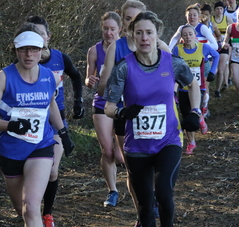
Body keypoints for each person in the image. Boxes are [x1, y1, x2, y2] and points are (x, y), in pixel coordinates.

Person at [104, 11, 201, 227]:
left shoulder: (172, 63)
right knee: (145, 206)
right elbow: (109, 106)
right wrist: (121, 113)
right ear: (132, 35)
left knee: (164, 193)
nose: (144, 38)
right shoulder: (123, 67)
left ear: (157, 35)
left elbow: (193, 84)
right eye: (139, 33)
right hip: (137, 145)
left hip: (169, 140)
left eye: (149, 32)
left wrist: (195, 111)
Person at [0, 23, 70, 227]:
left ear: (42, 51)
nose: (29, 54)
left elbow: (51, 105)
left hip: (41, 144)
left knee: (31, 205)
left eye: (34, 49)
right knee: (22, 210)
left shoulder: (49, 76)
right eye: (23, 49)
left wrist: (63, 133)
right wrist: (10, 126)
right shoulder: (2, 78)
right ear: (16, 50)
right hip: (11, 151)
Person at [26, 15, 82, 226]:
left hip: (56, 121)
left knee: (52, 170)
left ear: (48, 36)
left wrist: (78, 101)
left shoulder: (61, 58)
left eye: (41, 34)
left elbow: (76, 76)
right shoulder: (24, 60)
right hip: (32, 121)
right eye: (34, 35)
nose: (38, 39)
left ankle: (47, 214)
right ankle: (30, 207)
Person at [85, 12, 124, 207]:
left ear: (120, 30)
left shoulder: (127, 49)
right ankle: (112, 191)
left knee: (121, 155)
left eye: (112, 29)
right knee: (107, 151)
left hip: (125, 104)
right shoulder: (94, 50)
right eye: (106, 29)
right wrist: (90, 80)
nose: (109, 33)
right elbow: (88, 79)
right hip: (101, 103)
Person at [172, 25, 219, 154]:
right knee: (186, 114)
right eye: (185, 35)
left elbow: (216, 55)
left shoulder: (203, 47)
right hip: (183, 88)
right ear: (181, 37)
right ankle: (191, 142)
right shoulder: (177, 50)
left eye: (190, 34)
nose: (188, 37)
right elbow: (172, 67)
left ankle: (199, 118)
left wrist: (212, 72)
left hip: (199, 87)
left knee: (195, 110)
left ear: (195, 36)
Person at [212, 1, 233, 97]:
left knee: (221, 70)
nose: (219, 11)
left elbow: (233, 31)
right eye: (217, 9)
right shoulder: (211, 20)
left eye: (221, 9)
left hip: (224, 46)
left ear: (223, 10)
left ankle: (217, 90)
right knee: (213, 70)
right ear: (214, 10)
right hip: (213, 47)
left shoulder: (227, 19)